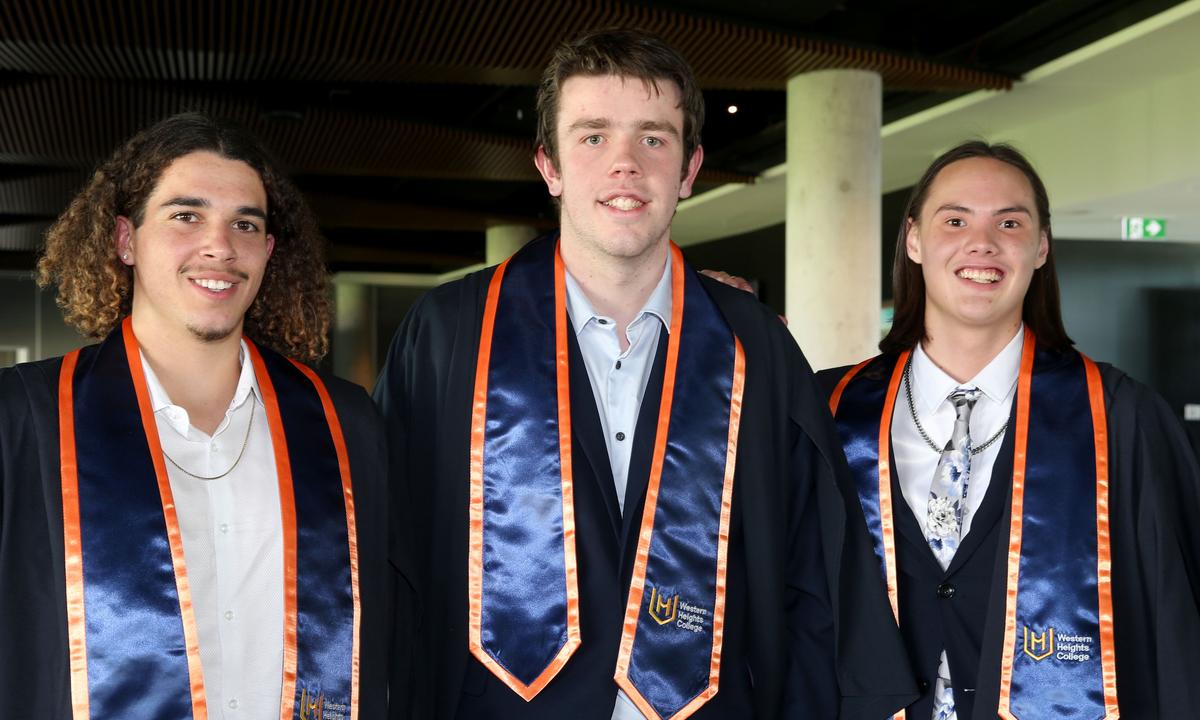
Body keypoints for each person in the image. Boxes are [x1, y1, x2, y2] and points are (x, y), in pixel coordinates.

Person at [375, 28, 913, 720]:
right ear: (550, 165)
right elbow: (392, 567)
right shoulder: (449, 337)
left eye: (654, 139)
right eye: (593, 137)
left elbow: (812, 578)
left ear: (690, 169)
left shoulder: (756, 348)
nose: (624, 165)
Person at [0, 113, 387, 719]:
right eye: (186, 216)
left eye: (245, 223)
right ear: (125, 239)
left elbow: (392, 655)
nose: (220, 246)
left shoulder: (342, 426)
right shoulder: (10, 429)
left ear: (269, 252)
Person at [819, 141, 1200, 719]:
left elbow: (1176, 623)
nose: (983, 243)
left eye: (1010, 222)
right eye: (955, 220)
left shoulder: (1123, 419)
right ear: (915, 240)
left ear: (1041, 247)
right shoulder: (829, 410)